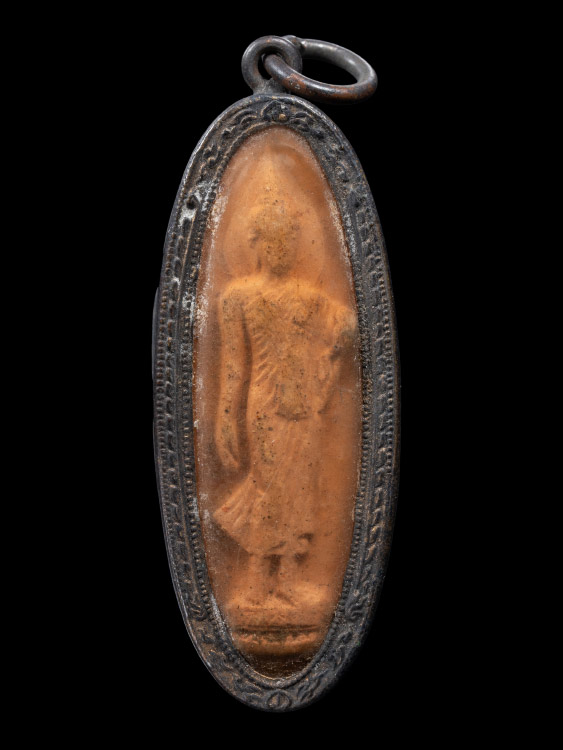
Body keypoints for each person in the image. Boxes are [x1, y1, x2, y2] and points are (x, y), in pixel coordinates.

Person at [214, 197, 357, 609]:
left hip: (304, 406)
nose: (282, 249)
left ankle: (289, 580)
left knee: (300, 489)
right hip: (264, 405)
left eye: (288, 241)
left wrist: (337, 342)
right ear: (257, 244)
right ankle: (257, 580)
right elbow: (233, 367)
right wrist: (225, 418)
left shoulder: (308, 298)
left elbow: (346, 325)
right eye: (273, 240)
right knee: (270, 486)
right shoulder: (236, 297)